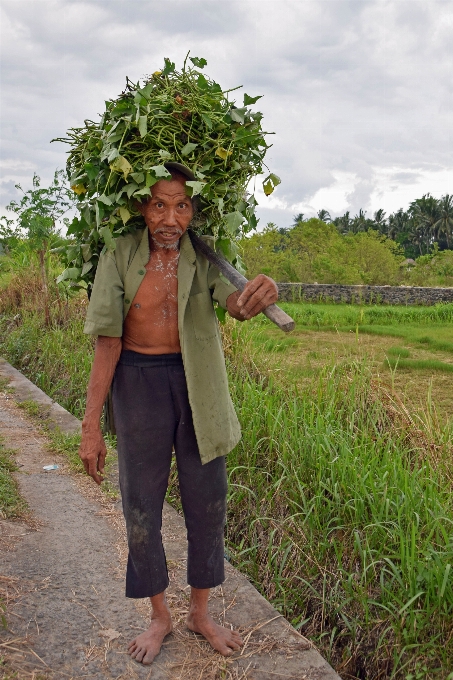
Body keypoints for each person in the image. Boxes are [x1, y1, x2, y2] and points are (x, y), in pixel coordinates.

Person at [78, 164, 278, 665]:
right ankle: (160, 615)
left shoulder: (205, 253)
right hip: (138, 385)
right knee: (141, 504)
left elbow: (233, 302)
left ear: (194, 211)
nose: (170, 217)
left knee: (208, 499)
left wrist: (254, 297)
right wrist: (90, 426)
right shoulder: (120, 253)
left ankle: (200, 613)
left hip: (197, 384)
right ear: (142, 207)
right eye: (159, 204)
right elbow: (107, 340)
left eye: (182, 205)